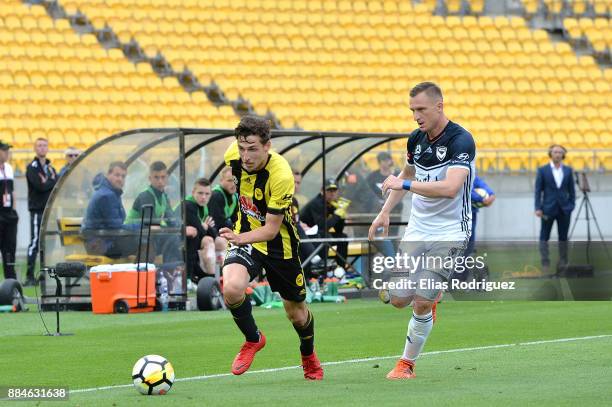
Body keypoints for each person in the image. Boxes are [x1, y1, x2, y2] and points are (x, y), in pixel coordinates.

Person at [368, 82, 475, 380]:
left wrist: (402, 184)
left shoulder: (461, 140)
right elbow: (407, 174)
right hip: (418, 229)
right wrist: (384, 212)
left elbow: (451, 188)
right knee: (400, 298)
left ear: (439, 106)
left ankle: (406, 365)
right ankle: (425, 300)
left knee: (422, 299)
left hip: (450, 230)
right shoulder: (415, 139)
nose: (416, 116)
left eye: (421, 109)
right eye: (412, 110)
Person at [217, 115, 323, 380]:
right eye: (242, 148)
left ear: (267, 146)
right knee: (230, 287)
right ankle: (253, 339)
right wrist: (238, 235)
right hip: (245, 235)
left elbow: (271, 230)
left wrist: (239, 238)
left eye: (252, 148)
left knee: (297, 315)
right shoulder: (234, 156)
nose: (245, 156)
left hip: (279, 247)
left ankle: (308, 355)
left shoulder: (281, 175)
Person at [82, 162, 141, 259]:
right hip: (100, 245)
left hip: (102, 241)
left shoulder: (111, 193)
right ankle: (148, 273)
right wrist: (141, 226)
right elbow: (116, 227)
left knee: (143, 242)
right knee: (144, 243)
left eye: (123, 176)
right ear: (108, 175)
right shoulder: (107, 195)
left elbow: (116, 224)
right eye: (117, 175)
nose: (120, 179)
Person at [126, 161, 180, 262]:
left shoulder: (164, 197)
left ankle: (172, 271)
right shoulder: (146, 196)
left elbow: (172, 222)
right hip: (130, 236)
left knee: (176, 238)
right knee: (171, 239)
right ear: (150, 179)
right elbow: (152, 225)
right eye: (156, 177)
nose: (160, 181)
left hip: (147, 236)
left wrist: (182, 227)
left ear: (167, 178)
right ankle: (170, 271)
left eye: (163, 177)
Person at [535, 144, 575, 274]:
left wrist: (571, 205)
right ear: (550, 154)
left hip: (564, 209)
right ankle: (545, 263)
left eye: (560, 152)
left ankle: (563, 263)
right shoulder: (542, 170)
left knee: (563, 238)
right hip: (547, 209)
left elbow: (572, 191)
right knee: (544, 237)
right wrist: (538, 207)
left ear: (563, 155)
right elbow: (538, 191)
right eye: (555, 152)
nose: (557, 154)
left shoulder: (568, 170)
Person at [25, 137, 57, 286]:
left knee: (48, 243)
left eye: (45, 145)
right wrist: (50, 182)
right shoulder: (32, 168)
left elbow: (55, 183)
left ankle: (45, 275)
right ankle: (29, 276)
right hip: (37, 210)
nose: (42, 148)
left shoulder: (51, 168)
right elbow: (40, 186)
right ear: (35, 148)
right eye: (39, 145)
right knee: (35, 242)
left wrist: (48, 182)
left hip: (49, 210)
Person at [300, 178, 350, 272]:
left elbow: (338, 229)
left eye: (334, 190)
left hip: (319, 234)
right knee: (326, 237)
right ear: (322, 191)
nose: (332, 193)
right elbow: (322, 226)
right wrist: (337, 214)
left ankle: (341, 271)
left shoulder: (332, 204)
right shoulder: (317, 203)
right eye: (329, 190)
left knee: (343, 238)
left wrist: (341, 215)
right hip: (305, 236)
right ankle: (322, 271)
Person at [183, 177, 220, 283]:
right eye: (200, 193)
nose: (203, 197)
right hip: (174, 239)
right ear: (193, 192)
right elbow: (199, 231)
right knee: (208, 241)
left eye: (207, 194)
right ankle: (211, 280)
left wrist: (205, 227)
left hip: (193, 241)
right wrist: (204, 227)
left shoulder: (204, 206)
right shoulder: (188, 205)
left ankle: (217, 277)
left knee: (216, 241)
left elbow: (213, 232)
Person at [0, 141, 18, 280]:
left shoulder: (9, 168)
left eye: (7, 150)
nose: (7, 153)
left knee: (10, 249)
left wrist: (13, 210)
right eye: (4, 150)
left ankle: (10, 281)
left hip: (9, 215)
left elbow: (12, 191)